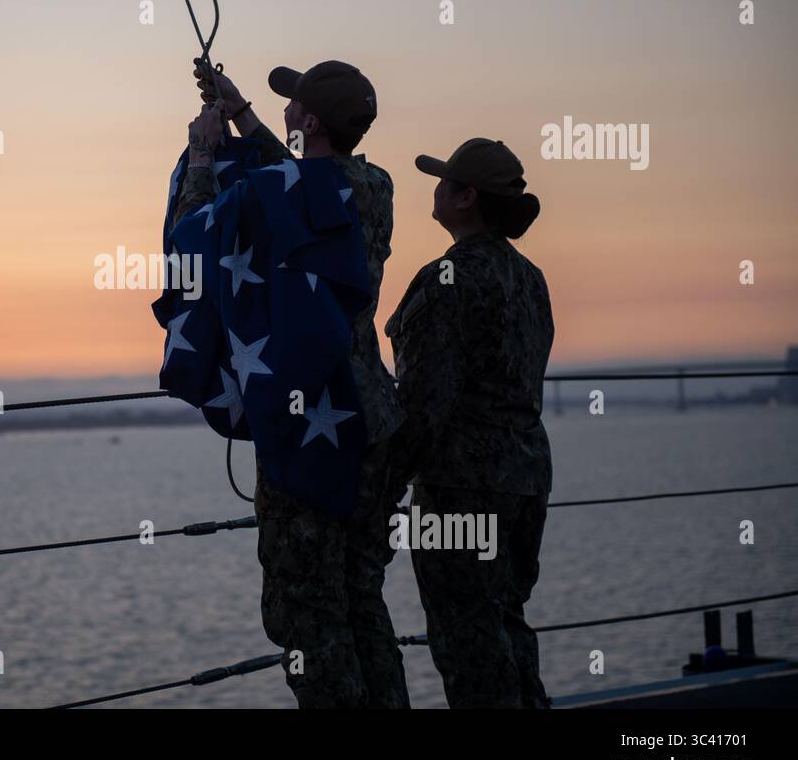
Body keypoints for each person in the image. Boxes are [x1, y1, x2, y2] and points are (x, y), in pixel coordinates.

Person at [179, 59, 409, 708]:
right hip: (376, 423)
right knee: (362, 599)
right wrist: (244, 111)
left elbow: (197, 241)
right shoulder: (375, 185)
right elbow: (308, 186)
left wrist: (203, 155)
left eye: (292, 105)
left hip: (309, 431)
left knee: (308, 617)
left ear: (309, 120)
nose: (283, 112)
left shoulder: (277, 192)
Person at [384, 137, 553, 708]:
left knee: (468, 641)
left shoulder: (448, 279)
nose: (434, 189)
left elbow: (424, 404)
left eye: (443, 181)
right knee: (507, 622)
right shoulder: (530, 279)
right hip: (526, 479)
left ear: (465, 199)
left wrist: (379, 484)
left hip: (463, 491)